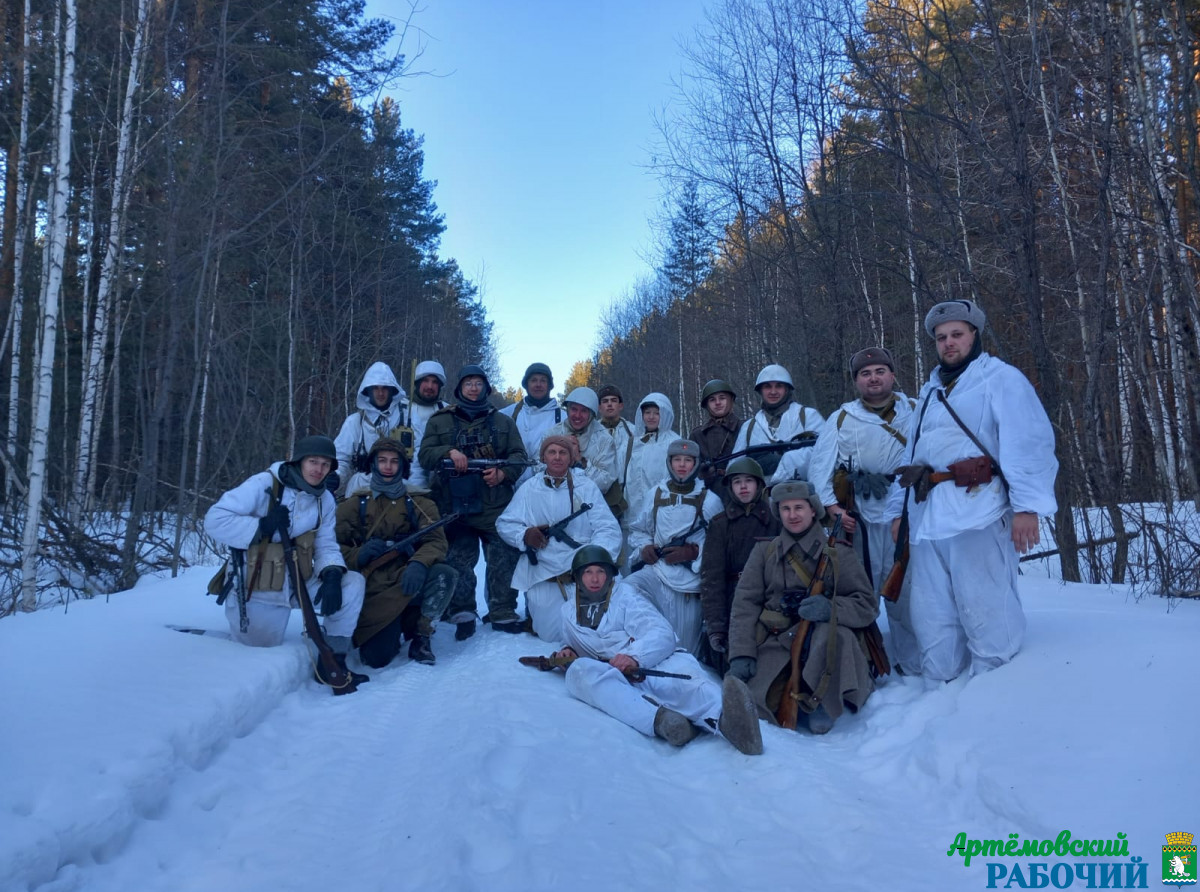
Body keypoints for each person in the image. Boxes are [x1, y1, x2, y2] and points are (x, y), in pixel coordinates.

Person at [887, 300, 1058, 681]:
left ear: (974, 336)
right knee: (932, 609)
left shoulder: (1001, 378)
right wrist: (900, 513)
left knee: (984, 599)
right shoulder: (931, 391)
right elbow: (912, 454)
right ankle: (940, 683)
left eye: (957, 335)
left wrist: (1027, 507)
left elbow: (1028, 443)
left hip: (979, 508)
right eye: (941, 337)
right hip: (929, 514)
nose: (948, 343)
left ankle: (996, 684)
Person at [548, 545, 763, 755]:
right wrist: (566, 651)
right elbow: (569, 642)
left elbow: (661, 633)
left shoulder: (626, 596)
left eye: (600, 572)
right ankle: (664, 722)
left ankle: (731, 721)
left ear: (610, 575)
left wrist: (634, 656)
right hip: (612, 676)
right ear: (577, 577)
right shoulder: (567, 612)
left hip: (651, 662)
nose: (594, 579)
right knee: (578, 673)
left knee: (687, 684)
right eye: (588, 573)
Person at [204, 435, 368, 693]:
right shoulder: (264, 484)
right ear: (298, 461)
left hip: (300, 580)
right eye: (313, 462)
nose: (319, 470)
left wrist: (333, 571)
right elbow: (214, 520)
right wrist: (260, 526)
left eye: (326, 465)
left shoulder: (323, 497)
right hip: (258, 587)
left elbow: (325, 542)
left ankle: (333, 661)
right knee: (254, 660)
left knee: (352, 584)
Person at [728, 481, 880, 734]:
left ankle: (823, 701)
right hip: (776, 640)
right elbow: (744, 604)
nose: (792, 515)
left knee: (833, 635)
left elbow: (867, 604)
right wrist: (741, 653)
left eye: (799, 507)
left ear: (814, 511)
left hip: (824, 642)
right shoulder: (764, 551)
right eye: (785, 509)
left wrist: (830, 608)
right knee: (756, 703)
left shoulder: (837, 552)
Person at [807, 346, 921, 675]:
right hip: (863, 514)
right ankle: (863, 663)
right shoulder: (842, 417)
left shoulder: (914, 408)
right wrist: (832, 508)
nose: (873, 378)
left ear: (892, 375)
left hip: (910, 509)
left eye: (879, 371)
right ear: (857, 381)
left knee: (909, 591)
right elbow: (820, 466)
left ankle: (911, 664)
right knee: (862, 588)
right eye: (865, 374)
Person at [418, 365, 529, 638]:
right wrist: (449, 451)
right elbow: (425, 455)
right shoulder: (439, 421)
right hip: (454, 504)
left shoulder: (503, 422)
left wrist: (503, 473)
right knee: (458, 559)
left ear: (486, 389)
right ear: (459, 389)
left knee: (504, 557)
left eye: (479, 383)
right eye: (468, 383)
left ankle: (502, 611)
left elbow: (518, 455)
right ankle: (462, 611)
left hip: (495, 503)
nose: (473, 388)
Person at [335, 438, 458, 668]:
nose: (388, 467)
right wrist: (359, 554)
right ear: (373, 465)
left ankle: (422, 634)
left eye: (394, 461)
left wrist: (419, 563)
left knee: (444, 574)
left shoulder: (419, 501)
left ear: (403, 465)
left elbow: (436, 541)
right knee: (376, 659)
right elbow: (331, 546)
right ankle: (398, 620)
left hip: (407, 576)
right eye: (382, 461)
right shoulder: (355, 504)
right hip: (373, 586)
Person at [496, 436, 622, 642]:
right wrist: (525, 535)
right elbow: (505, 523)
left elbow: (607, 527)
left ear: (571, 458)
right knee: (549, 635)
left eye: (563, 453)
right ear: (543, 457)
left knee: (593, 631)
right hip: (543, 571)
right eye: (551, 452)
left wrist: (593, 560)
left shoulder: (586, 486)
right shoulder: (529, 488)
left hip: (581, 572)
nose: (557, 457)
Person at [625, 439, 723, 655]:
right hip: (657, 573)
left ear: (696, 464)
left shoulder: (709, 500)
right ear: (669, 462)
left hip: (689, 584)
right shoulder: (656, 494)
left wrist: (694, 552)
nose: (681, 465)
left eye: (688, 460)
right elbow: (639, 530)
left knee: (684, 650)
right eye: (677, 459)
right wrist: (645, 547)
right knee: (625, 590)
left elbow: (721, 545)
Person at [698, 456, 780, 676]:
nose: (743, 487)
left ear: (759, 485)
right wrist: (716, 627)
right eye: (737, 482)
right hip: (733, 603)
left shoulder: (776, 521)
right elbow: (711, 580)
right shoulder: (720, 524)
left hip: (770, 599)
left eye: (748, 481)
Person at [333, 362, 412, 497]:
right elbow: (341, 459)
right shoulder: (355, 422)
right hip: (362, 488)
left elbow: (418, 460)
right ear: (367, 390)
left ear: (392, 390)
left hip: (401, 489)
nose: (380, 393)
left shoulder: (409, 418)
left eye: (385, 388)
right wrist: (335, 477)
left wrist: (414, 487)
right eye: (375, 388)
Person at [738, 363, 823, 481]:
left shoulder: (808, 417)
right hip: (760, 497)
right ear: (761, 391)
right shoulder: (749, 428)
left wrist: (784, 461)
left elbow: (824, 454)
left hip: (804, 494)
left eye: (779, 386)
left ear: (787, 389)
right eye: (767, 386)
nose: (773, 392)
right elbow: (735, 467)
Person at [539, 386, 618, 497]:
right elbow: (537, 469)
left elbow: (604, 483)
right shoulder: (552, 434)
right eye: (574, 409)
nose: (577, 415)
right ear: (567, 410)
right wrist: (559, 459)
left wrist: (580, 461)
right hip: (554, 497)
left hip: (590, 502)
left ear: (591, 414)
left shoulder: (604, 440)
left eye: (584, 411)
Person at [622, 392, 681, 535]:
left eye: (656, 413)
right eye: (647, 412)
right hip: (633, 513)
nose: (651, 417)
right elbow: (620, 475)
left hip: (664, 512)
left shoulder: (674, 442)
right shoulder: (632, 442)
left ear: (665, 414)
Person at [689, 378, 743, 493]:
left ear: (731, 400)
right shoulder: (697, 435)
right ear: (707, 405)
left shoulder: (745, 428)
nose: (717, 403)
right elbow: (690, 470)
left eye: (722, 398)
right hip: (707, 494)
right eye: (712, 400)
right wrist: (703, 473)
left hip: (742, 490)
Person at [500, 362, 561, 459]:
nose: (538, 385)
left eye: (543, 381)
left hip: (549, 474)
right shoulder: (508, 413)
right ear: (526, 384)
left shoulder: (563, 417)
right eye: (533, 380)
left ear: (549, 385)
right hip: (513, 473)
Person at [406, 360, 450, 492]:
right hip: (401, 479)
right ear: (417, 383)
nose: (430, 386)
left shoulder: (447, 411)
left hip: (437, 480)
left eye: (435, 382)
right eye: (426, 380)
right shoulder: (400, 408)